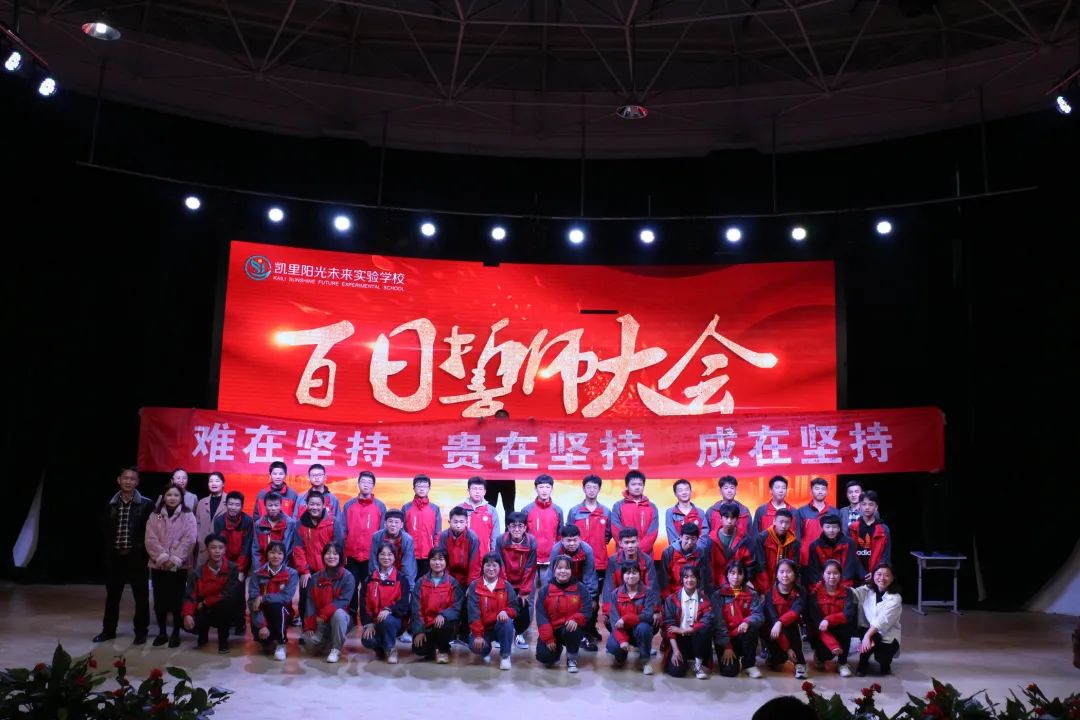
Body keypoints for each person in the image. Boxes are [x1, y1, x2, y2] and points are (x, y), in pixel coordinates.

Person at [95, 467, 154, 644]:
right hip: (115, 557)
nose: (128, 481)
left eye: (132, 479)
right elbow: (104, 529)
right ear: (119, 480)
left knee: (141, 597)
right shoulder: (110, 503)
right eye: (125, 478)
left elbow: (151, 532)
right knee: (112, 596)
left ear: (137, 482)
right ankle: (108, 631)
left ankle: (141, 632)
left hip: (137, 557)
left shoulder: (147, 504)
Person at [145, 482, 198, 648]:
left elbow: (190, 539)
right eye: (169, 495)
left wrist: (174, 559)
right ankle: (162, 633)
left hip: (179, 566)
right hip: (158, 565)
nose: (172, 498)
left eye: (176, 495)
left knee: (176, 600)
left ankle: (175, 633)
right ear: (164, 497)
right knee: (160, 599)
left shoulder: (188, 515)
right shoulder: (155, 515)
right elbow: (150, 538)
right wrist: (162, 558)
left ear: (181, 497)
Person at [567, 474, 612, 647]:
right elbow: (569, 534)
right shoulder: (574, 511)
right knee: (578, 598)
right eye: (588, 487)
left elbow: (607, 535)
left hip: (599, 562)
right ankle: (580, 631)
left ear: (599, 489)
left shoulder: (606, 512)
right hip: (577, 563)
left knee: (594, 598)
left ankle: (591, 628)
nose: (592, 490)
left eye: (595, 487)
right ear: (583, 489)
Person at [181, 533, 241, 653]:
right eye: (213, 547)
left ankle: (223, 639)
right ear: (207, 549)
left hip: (222, 608)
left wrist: (206, 602)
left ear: (225, 549)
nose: (217, 551)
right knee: (185, 617)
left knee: (227, 603)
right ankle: (202, 633)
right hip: (203, 609)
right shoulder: (196, 572)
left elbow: (229, 593)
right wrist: (187, 614)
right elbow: (190, 596)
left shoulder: (232, 568)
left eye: (220, 548)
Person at [292, 491, 342, 628]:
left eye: (318, 504)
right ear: (307, 505)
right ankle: (306, 627)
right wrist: (304, 571)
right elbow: (298, 549)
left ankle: (327, 628)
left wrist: (334, 570)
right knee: (305, 596)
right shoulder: (300, 523)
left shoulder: (333, 522)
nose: (315, 507)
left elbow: (339, 548)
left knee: (329, 599)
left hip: (329, 569)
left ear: (323, 505)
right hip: (309, 570)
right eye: (312, 504)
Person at [340, 470, 387, 614]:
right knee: (350, 586)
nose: (366, 485)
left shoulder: (380, 506)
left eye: (369, 482)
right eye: (363, 482)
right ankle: (352, 616)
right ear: (358, 484)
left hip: (371, 556)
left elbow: (382, 533)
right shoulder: (349, 505)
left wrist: (379, 555)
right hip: (352, 555)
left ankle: (367, 617)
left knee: (369, 587)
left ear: (373, 486)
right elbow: (343, 531)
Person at [545, 525, 598, 650]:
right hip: (561, 583)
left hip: (581, 583)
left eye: (575, 540)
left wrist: (590, 598)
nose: (572, 543)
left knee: (591, 606)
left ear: (580, 539)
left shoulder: (587, 550)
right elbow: (551, 573)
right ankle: (557, 632)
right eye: (568, 540)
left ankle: (587, 633)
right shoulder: (556, 550)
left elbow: (590, 575)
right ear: (562, 540)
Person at [536, 554, 591, 673]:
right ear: (554, 570)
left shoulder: (580, 588)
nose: (563, 571)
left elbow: (587, 610)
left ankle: (572, 658)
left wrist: (576, 619)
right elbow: (541, 616)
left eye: (567, 568)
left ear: (572, 570)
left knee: (572, 629)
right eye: (559, 568)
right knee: (544, 657)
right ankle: (556, 650)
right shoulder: (545, 590)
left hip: (570, 628)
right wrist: (548, 638)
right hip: (552, 629)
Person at [301, 542, 355, 663]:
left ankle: (336, 649)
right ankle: (329, 639)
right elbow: (310, 602)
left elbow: (343, 601)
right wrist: (309, 626)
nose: (331, 556)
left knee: (339, 614)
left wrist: (323, 615)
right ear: (323, 556)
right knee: (309, 645)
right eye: (328, 553)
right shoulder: (315, 578)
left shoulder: (348, 577)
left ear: (340, 557)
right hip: (321, 622)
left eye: (335, 554)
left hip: (340, 618)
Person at [360, 542, 412, 663]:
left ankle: (390, 649)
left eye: (389, 554)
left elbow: (404, 604)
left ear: (394, 557)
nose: (386, 557)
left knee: (387, 620)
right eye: (382, 554)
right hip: (375, 621)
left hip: (395, 621)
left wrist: (389, 610)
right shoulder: (369, 579)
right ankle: (381, 650)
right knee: (367, 639)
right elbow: (363, 604)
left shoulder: (401, 579)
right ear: (377, 556)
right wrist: (368, 623)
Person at [410, 548, 463, 664]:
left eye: (441, 559)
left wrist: (444, 615)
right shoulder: (421, 582)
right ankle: (434, 647)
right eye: (433, 559)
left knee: (443, 625)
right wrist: (419, 631)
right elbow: (416, 608)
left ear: (446, 562)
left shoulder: (452, 583)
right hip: (426, 625)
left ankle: (443, 649)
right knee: (419, 649)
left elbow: (457, 606)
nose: (437, 563)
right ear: (429, 561)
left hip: (444, 624)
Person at [712, 562, 764, 678]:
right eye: (732, 573)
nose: (736, 577)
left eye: (739, 573)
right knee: (729, 672)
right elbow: (718, 624)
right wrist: (727, 646)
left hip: (742, 634)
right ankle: (732, 659)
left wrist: (747, 621)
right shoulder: (718, 595)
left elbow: (759, 615)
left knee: (752, 627)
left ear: (744, 576)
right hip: (725, 638)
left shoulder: (752, 594)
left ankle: (749, 664)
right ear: (727, 575)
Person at [467, 552, 519, 670]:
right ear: (483, 567)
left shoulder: (506, 585)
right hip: (483, 629)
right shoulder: (475, 586)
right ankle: (485, 651)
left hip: (500, 626)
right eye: (488, 565)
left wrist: (506, 612)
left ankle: (505, 656)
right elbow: (473, 613)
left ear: (500, 568)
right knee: (475, 646)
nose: (491, 569)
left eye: (494, 565)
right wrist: (478, 635)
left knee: (507, 622)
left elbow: (515, 608)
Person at [248, 540, 298, 661]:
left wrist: (263, 598)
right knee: (265, 642)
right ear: (267, 554)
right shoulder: (257, 574)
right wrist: (262, 625)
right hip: (262, 613)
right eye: (272, 552)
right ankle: (269, 635)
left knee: (276, 606)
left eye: (280, 553)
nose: (276, 556)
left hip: (283, 612)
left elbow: (286, 597)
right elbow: (253, 601)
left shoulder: (292, 573)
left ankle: (281, 643)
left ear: (284, 556)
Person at [806, 559, 857, 677]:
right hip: (821, 631)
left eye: (836, 573)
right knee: (827, 654)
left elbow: (848, 614)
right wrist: (833, 645)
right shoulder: (814, 593)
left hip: (839, 627)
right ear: (823, 574)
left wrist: (828, 620)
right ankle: (819, 657)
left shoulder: (848, 592)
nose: (832, 577)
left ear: (840, 575)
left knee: (847, 628)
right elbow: (817, 621)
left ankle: (842, 663)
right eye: (828, 573)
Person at [605, 563, 659, 675]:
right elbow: (614, 621)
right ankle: (622, 654)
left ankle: (645, 661)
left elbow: (648, 615)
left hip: (639, 629)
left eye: (634, 572)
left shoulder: (648, 592)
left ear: (640, 574)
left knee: (644, 628)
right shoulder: (615, 594)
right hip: (622, 630)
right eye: (627, 573)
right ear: (622, 575)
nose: (631, 576)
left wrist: (626, 619)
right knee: (613, 647)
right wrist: (622, 640)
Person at [494, 511, 537, 650]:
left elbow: (530, 568)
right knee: (502, 607)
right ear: (508, 527)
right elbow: (500, 565)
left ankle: (519, 634)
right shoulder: (500, 540)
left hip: (523, 581)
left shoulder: (531, 541)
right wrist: (505, 586)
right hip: (505, 580)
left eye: (520, 526)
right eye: (513, 526)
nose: (517, 529)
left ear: (525, 527)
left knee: (523, 608)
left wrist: (524, 591)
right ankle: (500, 635)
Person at [662, 566, 714, 679]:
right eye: (686, 577)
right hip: (679, 640)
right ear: (681, 579)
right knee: (676, 672)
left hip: (698, 639)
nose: (689, 580)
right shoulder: (671, 599)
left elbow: (707, 621)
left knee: (704, 629)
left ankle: (698, 663)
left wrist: (686, 630)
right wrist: (675, 651)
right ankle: (687, 660)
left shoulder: (705, 599)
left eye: (693, 577)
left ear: (698, 579)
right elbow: (669, 626)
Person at [601, 528, 659, 627]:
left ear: (638, 541)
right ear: (620, 543)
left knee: (648, 626)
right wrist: (607, 612)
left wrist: (656, 610)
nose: (630, 546)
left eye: (633, 542)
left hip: (642, 607)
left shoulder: (647, 560)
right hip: (620, 605)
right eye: (626, 542)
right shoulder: (613, 561)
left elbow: (652, 587)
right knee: (611, 624)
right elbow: (608, 588)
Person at [213, 490, 253, 633]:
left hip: (241, 563)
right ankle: (226, 621)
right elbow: (218, 546)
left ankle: (239, 623)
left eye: (237, 505)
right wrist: (222, 565)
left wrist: (240, 570)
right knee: (224, 592)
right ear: (226, 504)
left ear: (242, 506)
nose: (233, 507)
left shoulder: (247, 521)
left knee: (239, 592)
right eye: (231, 504)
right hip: (224, 562)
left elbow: (246, 547)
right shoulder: (219, 521)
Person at [852, 562, 902, 676]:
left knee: (883, 658)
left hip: (888, 635)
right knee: (870, 638)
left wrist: (867, 636)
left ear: (893, 578)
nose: (882, 578)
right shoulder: (865, 591)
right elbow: (850, 593)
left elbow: (882, 621)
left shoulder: (895, 598)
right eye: (879, 574)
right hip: (869, 631)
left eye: (886, 575)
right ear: (873, 576)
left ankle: (885, 663)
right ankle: (863, 663)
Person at [761, 558, 807, 679]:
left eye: (789, 572)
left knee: (793, 628)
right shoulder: (769, 593)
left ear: (795, 574)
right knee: (778, 660)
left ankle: (800, 664)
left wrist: (780, 622)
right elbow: (773, 619)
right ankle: (774, 656)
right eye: (781, 572)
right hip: (772, 628)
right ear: (776, 575)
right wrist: (787, 649)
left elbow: (795, 612)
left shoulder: (800, 591)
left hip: (789, 625)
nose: (785, 575)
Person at [704, 502, 756, 591]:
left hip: (738, 584)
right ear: (721, 518)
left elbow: (750, 565)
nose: (729, 521)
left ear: (737, 519)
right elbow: (708, 568)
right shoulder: (710, 540)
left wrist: (743, 580)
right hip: (716, 586)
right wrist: (711, 587)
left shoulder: (745, 540)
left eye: (732, 518)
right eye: (726, 517)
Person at [611, 470, 660, 558]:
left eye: (640, 484)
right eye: (633, 484)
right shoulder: (618, 506)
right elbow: (616, 530)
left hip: (645, 556)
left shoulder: (652, 507)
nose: (637, 487)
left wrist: (638, 552)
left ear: (643, 486)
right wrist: (629, 548)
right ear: (627, 486)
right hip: (623, 555)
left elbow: (652, 533)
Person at [804, 513, 861, 588]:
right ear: (822, 528)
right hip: (823, 584)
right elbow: (814, 571)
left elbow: (850, 567)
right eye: (827, 527)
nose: (831, 530)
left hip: (844, 583)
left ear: (839, 528)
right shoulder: (815, 545)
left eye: (834, 527)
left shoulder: (849, 543)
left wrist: (842, 586)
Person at [752, 508, 801, 594]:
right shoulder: (762, 538)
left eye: (787, 523)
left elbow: (794, 567)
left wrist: (790, 588)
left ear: (791, 524)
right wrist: (767, 591)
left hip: (786, 586)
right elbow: (760, 566)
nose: (783, 526)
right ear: (774, 521)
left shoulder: (794, 542)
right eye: (781, 522)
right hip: (764, 585)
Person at [522, 474, 564, 570]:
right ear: (535, 489)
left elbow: (560, 535)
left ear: (552, 489)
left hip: (552, 559)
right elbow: (523, 536)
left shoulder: (558, 510)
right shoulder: (527, 510)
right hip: (531, 559)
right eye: (541, 487)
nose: (544, 490)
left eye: (547, 487)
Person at [402, 474, 441, 579]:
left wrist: (436, 551)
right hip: (410, 554)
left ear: (429, 488)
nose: (422, 489)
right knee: (410, 582)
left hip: (428, 554)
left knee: (426, 583)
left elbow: (437, 533)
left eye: (425, 486)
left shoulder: (435, 508)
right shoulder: (406, 508)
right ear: (414, 488)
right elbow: (402, 531)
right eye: (419, 486)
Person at [659, 522, 711, 600]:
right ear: (681, 537)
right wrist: (667, 599)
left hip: (694, 594)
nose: (690, 542)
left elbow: (702, 579)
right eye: (687, 538)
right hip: (674, 595)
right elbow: (664, 579)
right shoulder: (668, 552)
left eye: (693, 539)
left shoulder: (701, 553)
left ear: (697, 539)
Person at [484, 408, 517, 523]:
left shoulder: (513, 434)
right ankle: (487, 530)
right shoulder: (488, 433)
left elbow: (528, 435)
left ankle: (510, 532)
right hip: (491, 477)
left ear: (508, 420)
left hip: (508, 476)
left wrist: (530, 424)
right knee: (489, 507)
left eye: (504, 417)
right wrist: (479, 424)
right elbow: (476, 436)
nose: (501, 420)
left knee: (509, 508)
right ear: (494, 420)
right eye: (498, 417)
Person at [850, 491, 892, 584]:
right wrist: (862, 574)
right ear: (859, 506)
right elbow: (850, 554)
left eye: (871, 504)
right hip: (855, 576)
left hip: (877, 576)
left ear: (876, 507)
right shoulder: (852, 528)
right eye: (864, 504)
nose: (867, 507)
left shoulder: (884, 529)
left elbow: (886, 556)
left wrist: (875, 573)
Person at [251, 492, 298, 570]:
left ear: (280, 506)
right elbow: (256, 550)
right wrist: (258, 570)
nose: (273, 508)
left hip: (284, 567)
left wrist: (280, 570)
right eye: (270, 505)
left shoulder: (290, 523)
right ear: (265, 506)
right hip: (263, 567)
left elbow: (288, 550)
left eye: (276, 505)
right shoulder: (259, 524)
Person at [796, 477, 836, 565]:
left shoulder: (835, 512)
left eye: (823, 489)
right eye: (817, 488)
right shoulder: (801, 511)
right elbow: (798, 536)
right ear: (811, 491)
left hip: (829, 557)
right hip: (806, 557)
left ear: (827, 491)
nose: (820, 491)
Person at [194, 472, 227, 568]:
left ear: (223, 484)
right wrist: (199, 539)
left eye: (217, 481)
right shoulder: (202, 502)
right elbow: (197, 523)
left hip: (221, 547)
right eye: (211, 481)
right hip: (203, 547)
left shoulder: (229, 501)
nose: (213, 483)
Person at [706, 476, 753, 540]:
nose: (729, 491)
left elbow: (750, 534)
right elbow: (706, 535)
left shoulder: (744, 511)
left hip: (740, 545)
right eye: (726, 488)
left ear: (736, 490)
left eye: (732, 488)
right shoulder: (711, 511)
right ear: (720, 491)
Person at [665, 479, 709, 547]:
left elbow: (704, 535)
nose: (684, 492)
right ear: (675, 494)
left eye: (686, 489)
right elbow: (672, 536)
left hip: (698, 551)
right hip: (678, 552)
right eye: (680, 490)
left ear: (691, 492)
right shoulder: (670, 513)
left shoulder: (700, 512)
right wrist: (683, 548)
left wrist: (695, 549)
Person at [461, 476, 500, 554]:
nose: (477, 492)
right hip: (463, 554)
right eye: (474, 489)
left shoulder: (491, 511)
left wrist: (493, 553)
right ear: (468, 490)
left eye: (480, 489)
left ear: (485, 492)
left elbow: (495, 536)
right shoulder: (460, 509)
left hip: (484, 555)